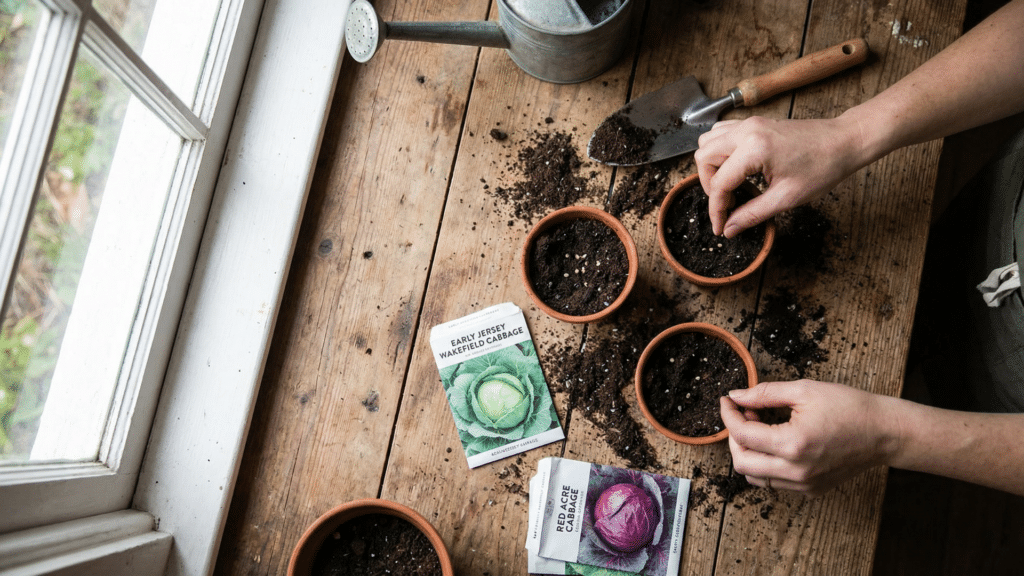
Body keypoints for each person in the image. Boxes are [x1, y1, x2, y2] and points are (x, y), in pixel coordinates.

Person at [693, 0, 1024, 497]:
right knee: (934, 275)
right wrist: (849, 134)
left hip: (1004, 404)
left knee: (937, 394)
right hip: (1002, 213)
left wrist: (892, 437)